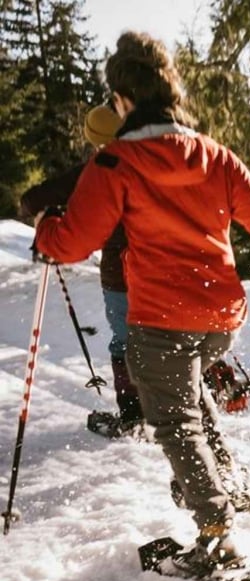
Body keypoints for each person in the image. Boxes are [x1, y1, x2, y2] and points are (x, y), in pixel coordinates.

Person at [33, 32, 250, 575]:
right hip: (221, 318)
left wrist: (45, 233)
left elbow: (74, 241)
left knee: (174, 420)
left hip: (160, 317)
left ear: (124, 99)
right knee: (187, 392)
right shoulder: (216, 157)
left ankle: (217, 535)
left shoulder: (117, 161)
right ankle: (226, 479)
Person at [21, 104, 142, 437]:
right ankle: (185, 404)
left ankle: (134, 415)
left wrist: (45, 216)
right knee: (168, 337)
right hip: (157, 268)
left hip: (119, 274)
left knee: (123, 343)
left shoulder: (98, 166)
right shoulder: (147, 159)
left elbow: (33, 199)